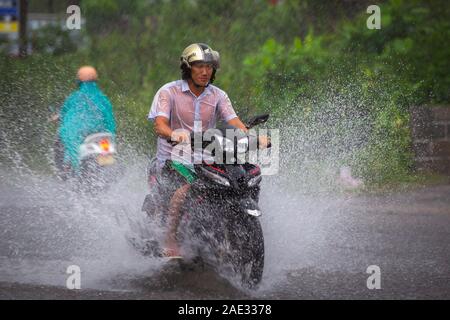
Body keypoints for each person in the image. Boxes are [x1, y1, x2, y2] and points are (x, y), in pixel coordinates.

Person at [147, 43, 269, 257]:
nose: (205, 72)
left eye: (209, 67)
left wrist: (253, 138)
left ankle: (234, 226)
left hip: (209, 156)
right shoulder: (168, 92)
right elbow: (160, 125)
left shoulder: (218, 95)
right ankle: (170, 241)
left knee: (245, 177)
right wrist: (174, 134)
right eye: (199, 66)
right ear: (187, 67)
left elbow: (234, 122)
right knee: (186, 188)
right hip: (174, 158)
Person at [56, 66, 116, 175]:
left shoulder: (74, 97)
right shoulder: (103, 98)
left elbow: (64, 115)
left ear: (79, 80)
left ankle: (67, 168)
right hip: (101, 137)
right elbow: (110, 119)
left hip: (79, 136)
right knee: (108, 157)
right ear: (95, 80)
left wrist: (57, 117)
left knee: (65, 140)